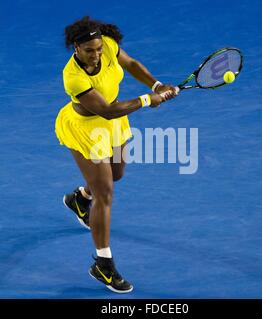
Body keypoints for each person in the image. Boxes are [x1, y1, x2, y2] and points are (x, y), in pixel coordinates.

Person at [55, 16, 177, 293]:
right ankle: (103, 264)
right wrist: (148, 100)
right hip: (87, 128)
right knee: (105, 193)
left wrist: (156, 85)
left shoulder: (108, 45)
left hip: (114, 121)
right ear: (76, 48)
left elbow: (131, 64)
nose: (96, 54)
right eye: (89, 50)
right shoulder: (72, 77)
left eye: (98, 48)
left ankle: (79, 198)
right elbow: (107, 110)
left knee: (117, 173)